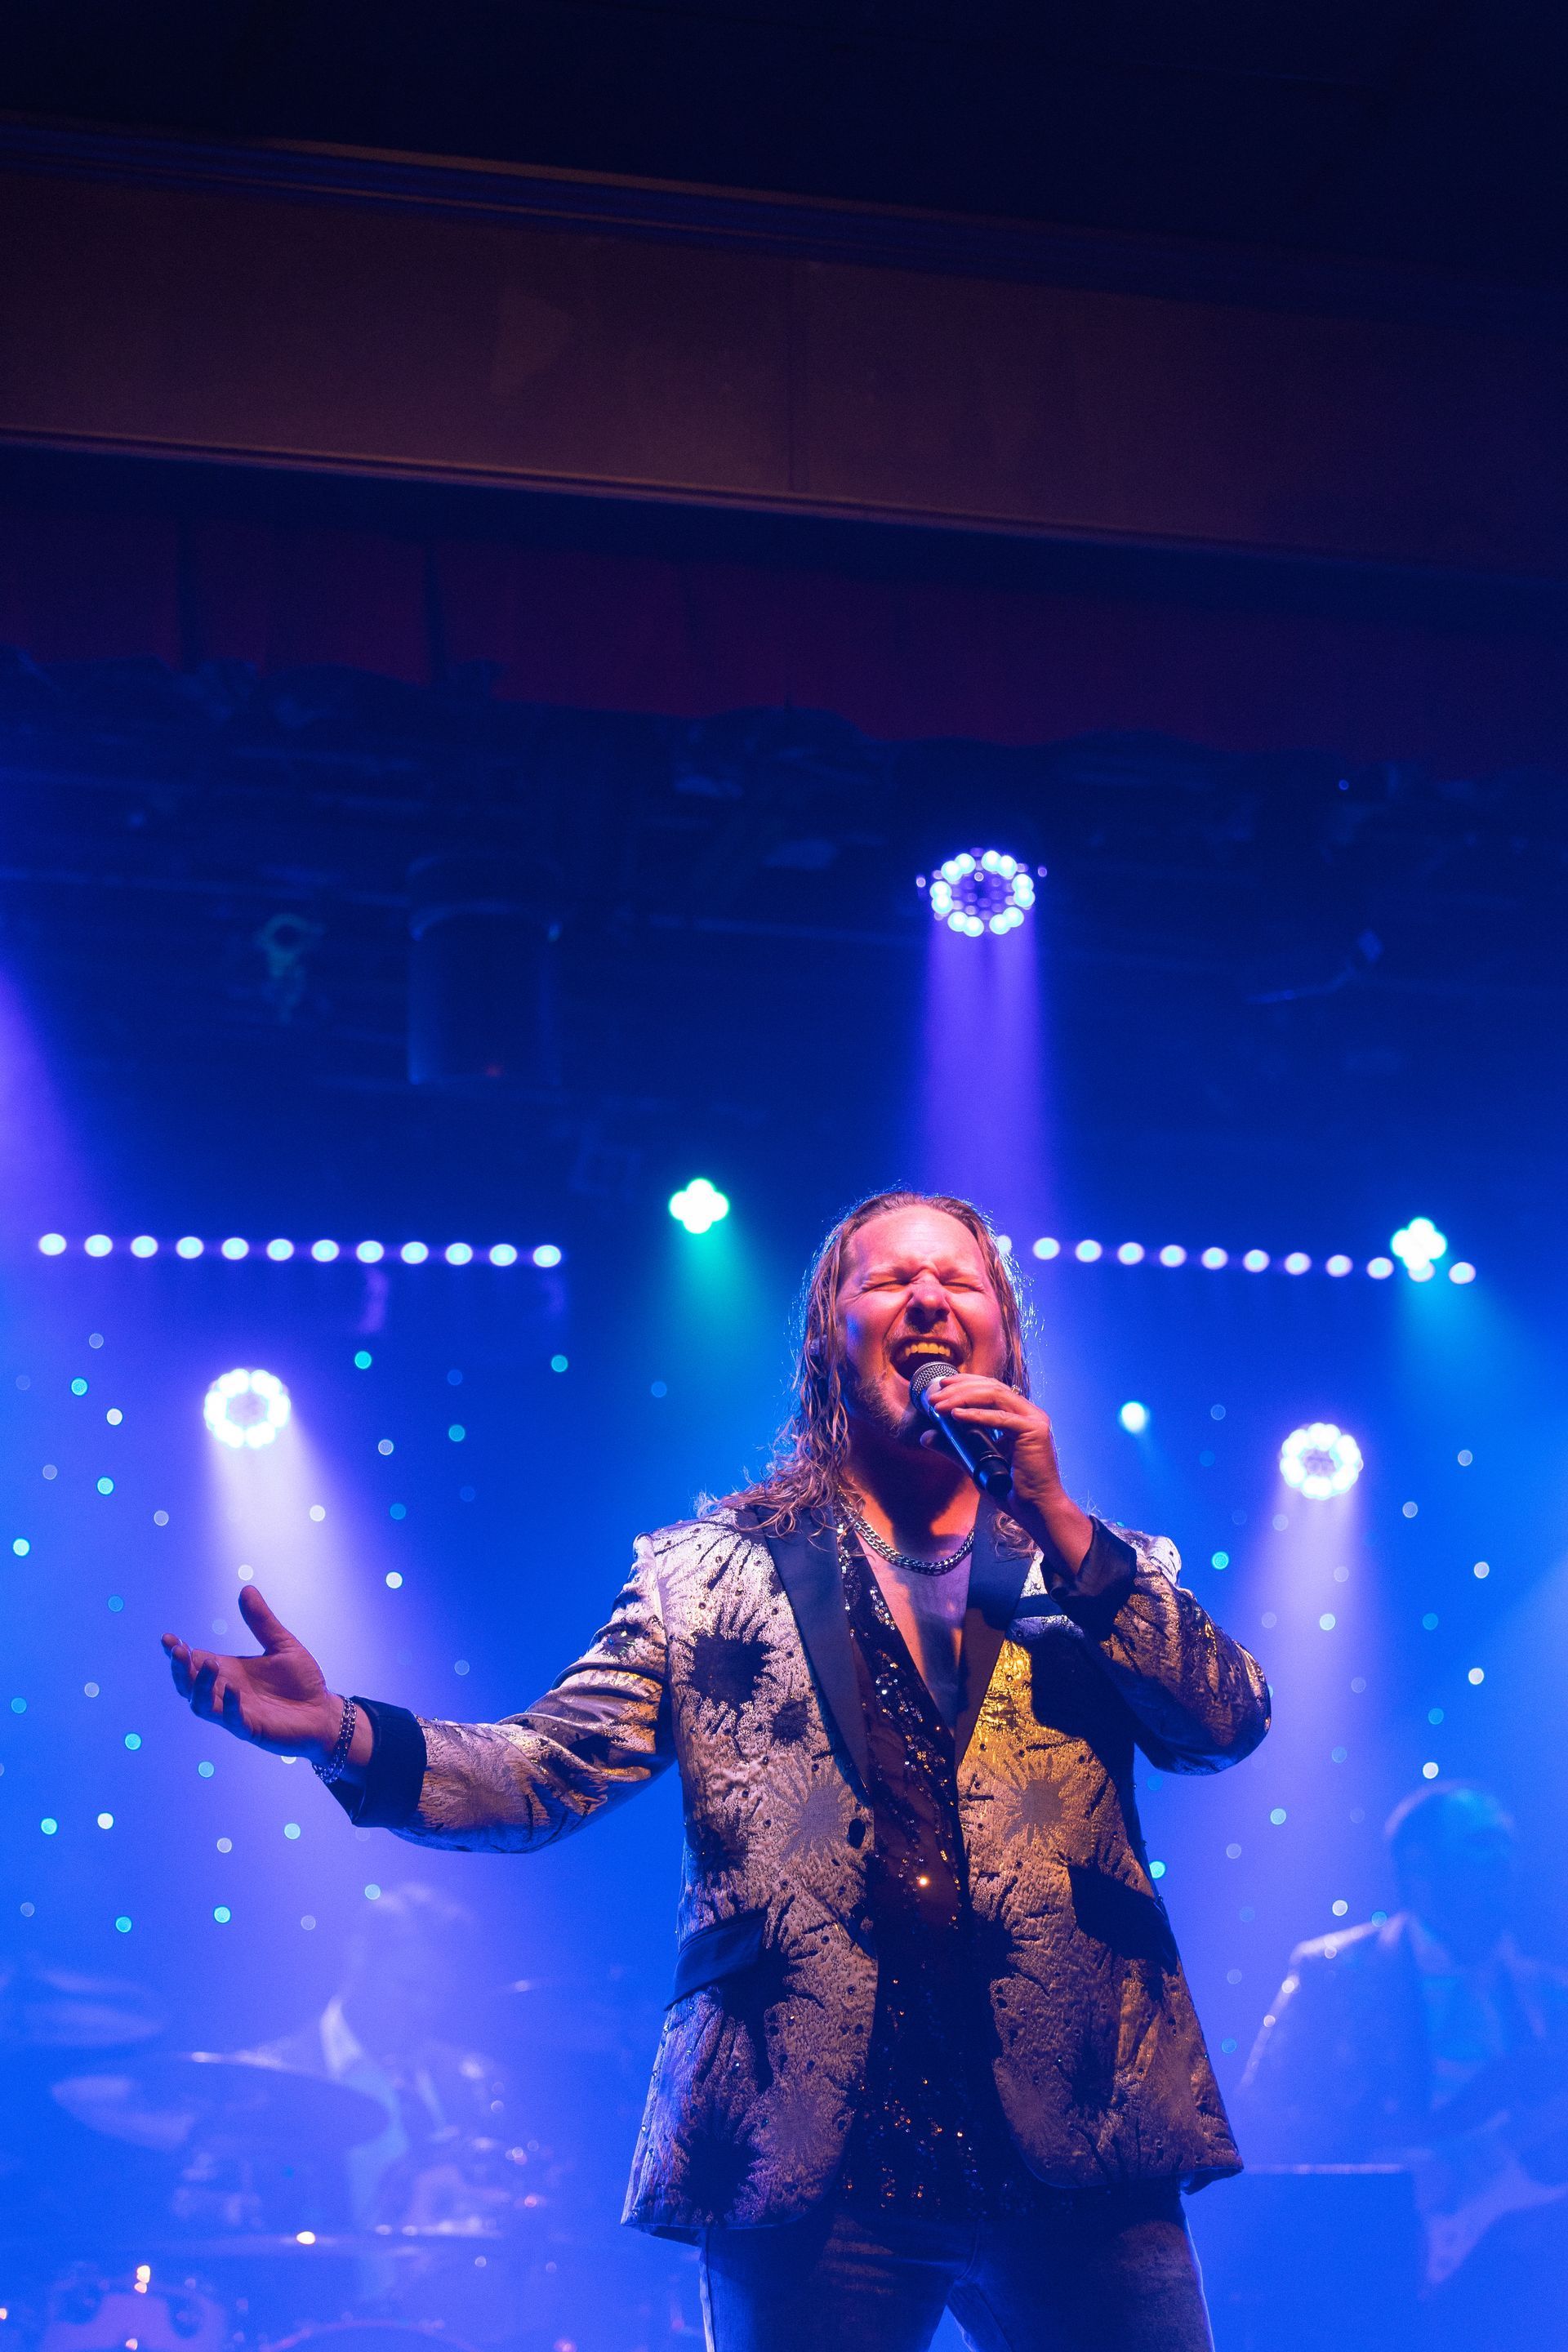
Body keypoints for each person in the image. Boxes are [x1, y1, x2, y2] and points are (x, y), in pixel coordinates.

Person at [162, 1189, 1271, 2352]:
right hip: (807, 2139)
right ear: (828, 1337)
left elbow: (1226, 1724)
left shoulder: (1096, 1568)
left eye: (962, 1281)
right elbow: (544, 1770)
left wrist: (1057, 1519)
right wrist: (344, 1730)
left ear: (1006, 1334)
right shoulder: (705, 1576)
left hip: (1079, 2122)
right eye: (888, 1281)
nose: (930, 1297)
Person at [1236, 1781, 1568, 2350]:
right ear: (1419, 1867)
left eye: (1509, 1843)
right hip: (1364, 2260)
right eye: (1482, 1843)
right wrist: (1404, 2168)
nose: (1504, 1859)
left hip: (1516, 2270)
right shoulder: (1333, 1972)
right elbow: (1265, 2117)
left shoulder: (1548, 1994)